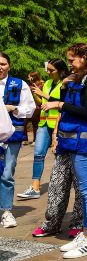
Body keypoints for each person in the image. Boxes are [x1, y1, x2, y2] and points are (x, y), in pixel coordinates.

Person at [43, 43, 87, 258]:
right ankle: (85, 232)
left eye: (72, 59)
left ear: (84, 58)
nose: (70, 64)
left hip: (86, 144)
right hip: (77, 143)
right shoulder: (83, 78)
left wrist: (60, 105)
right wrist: (64, 87)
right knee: (85, 190)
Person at [18, 59, 69, 201]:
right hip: (43, 123)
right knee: (38, 154)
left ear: (60, 70)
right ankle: (35, 187)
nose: (48, 72)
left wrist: (44, 94)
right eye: (48, 69)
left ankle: (64, 183)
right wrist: (36, 94)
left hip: (58, 124)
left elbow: (62, 103)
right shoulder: (47, 83)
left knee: (60, 156)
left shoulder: (65, 83)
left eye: (51, 70)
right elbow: (43, 103)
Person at [0, 52, 37, 228]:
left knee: (7, 173)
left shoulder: (19, 84)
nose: (0, 67)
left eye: (3, 64)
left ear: (9, 65)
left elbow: (30, 108)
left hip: (12, 135)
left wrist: (13, 108)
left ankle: (7, 211)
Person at [26, 71, 44, 145]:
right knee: (26, 122)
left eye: (29, 76)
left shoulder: (40, 84)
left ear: (33, 77)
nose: (28, 78)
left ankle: (36, 140)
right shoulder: (30, 84)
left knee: (35, 123)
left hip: (38, 106)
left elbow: (38, 95)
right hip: (30, 106)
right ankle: (26, 138)